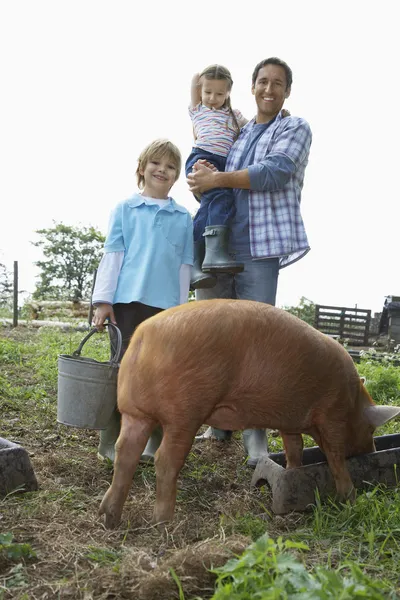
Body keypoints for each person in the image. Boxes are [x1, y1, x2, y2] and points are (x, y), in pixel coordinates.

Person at [187, 57, 312, 467]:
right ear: (253, 87)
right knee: (213, 333)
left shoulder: (293, 128)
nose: (269, 89)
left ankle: (255, 433)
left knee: (257, 339)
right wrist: (201, 181)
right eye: (262, 81)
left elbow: (275, 172)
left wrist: (217, 180)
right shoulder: (238, 135)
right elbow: (217, 182)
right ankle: (219, 422)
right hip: (220, 244)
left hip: (259, 248)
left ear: (287, 90)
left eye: (278, 83)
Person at [92, 139, 194, 464]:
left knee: (161, 374)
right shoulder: (125, 210)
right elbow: (113, 255)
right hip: (125, 303)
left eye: (170, 166)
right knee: (122, 369)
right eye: (156, 164)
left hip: (164, 309)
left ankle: (155, 442)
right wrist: (103, 300)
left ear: (177, 175)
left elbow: (183, 267)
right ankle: (111, 441)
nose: (162, 170)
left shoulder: (183, 218)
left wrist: (179, 312)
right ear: (142, 168)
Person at [185, 65, 248, 289]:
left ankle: (197, 260)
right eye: (208, 92)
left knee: (214, 203)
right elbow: (194, 79)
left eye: (220, 93)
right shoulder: (198, 110)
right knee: (221, 198)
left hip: (223, 165)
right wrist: (208, 74)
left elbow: (255, 128)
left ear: (229, 93)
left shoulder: (234, 115)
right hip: (201, 158)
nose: (212, 98)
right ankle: (210, 254)